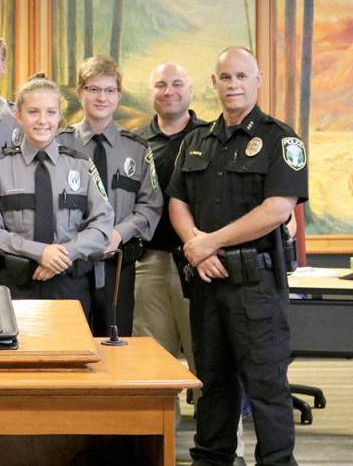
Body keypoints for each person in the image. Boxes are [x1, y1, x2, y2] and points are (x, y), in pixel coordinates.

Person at [168, 47, 305, 466]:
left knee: (266, 386)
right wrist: (196, 246)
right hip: (207, 283)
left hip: (256, 286)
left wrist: (210, 242)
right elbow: (177, 202)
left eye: (242, 76)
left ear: (258, 79)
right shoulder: (196, 141)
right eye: (225, 77)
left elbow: (276, 209)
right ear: (214, 83)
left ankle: (277, 462)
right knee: (212, 383)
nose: (233, 85)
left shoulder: (281, 139)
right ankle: (211, 459)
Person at [0, 74, 113, 317]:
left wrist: (62, 255)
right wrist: (39, 252)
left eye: (50, 112)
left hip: (70, 285)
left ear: (59, 116)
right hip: (17, 286)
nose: (42, 120)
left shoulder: (81, 166)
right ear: (18, 115)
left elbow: (102, 225)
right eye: (33, 112)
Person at [57, 55, 162, 337]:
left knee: (117, 342)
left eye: (109, 90)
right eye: (93, 89)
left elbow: (150, 205)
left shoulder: (137, 148)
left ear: (118, 95)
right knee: (71, 339)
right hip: (70, 264)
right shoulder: (59, 144)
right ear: (79, 93)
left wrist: (117, 233)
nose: (101, 97)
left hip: (118, 264)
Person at [133, 62, 207, 403]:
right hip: (150, 261)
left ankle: (217, 435)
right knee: (151, 360)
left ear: (190, 90)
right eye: (161, 84)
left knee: (206, 355)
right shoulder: (136, 142)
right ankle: (159, 433)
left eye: (177, 83)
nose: (169, 91)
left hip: (200, 262)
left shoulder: (210, 137)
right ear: (151, 93)